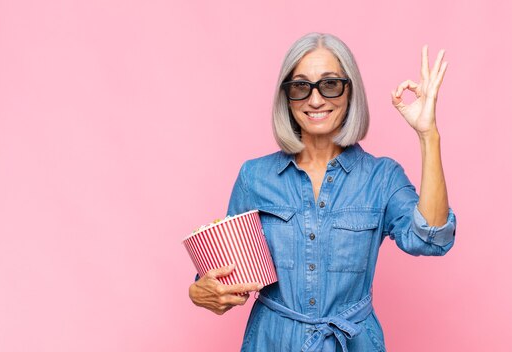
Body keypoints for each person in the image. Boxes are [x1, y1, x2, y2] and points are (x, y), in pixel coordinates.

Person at [188, 32, 456, 351]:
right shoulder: (254, 176)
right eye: (301, 87)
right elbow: (224, 277)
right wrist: (200, 292)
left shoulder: (382, 177)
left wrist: (429, 135)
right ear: (287, 98)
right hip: (272, 342)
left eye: (330, 84)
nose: (315, 100)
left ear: (349, 91)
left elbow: (432, 239)